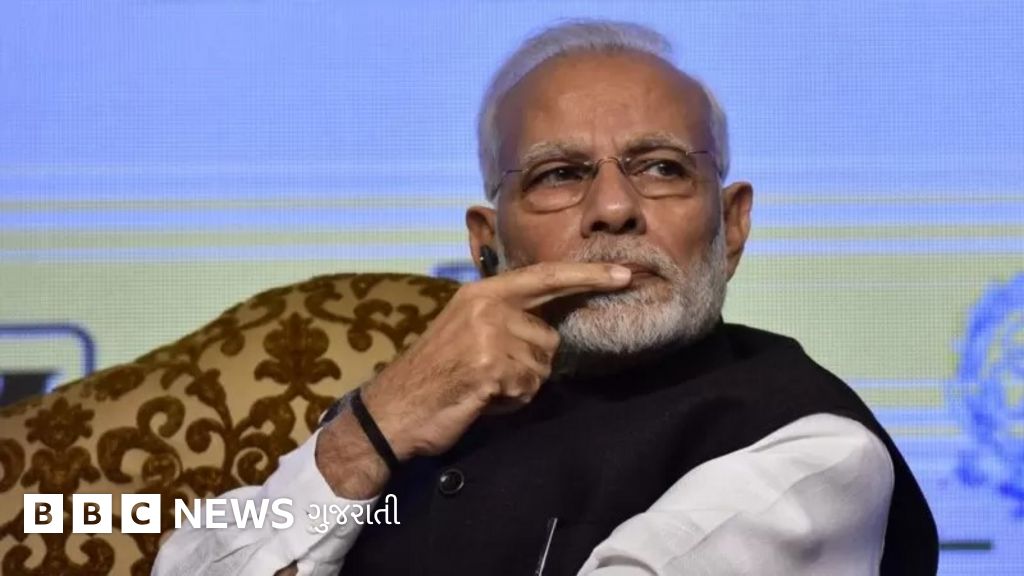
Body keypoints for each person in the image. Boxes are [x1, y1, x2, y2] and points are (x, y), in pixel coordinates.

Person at [153, 19, 938, 576]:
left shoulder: (808, 446)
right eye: (560, 175)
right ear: (486, 243)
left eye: (662, 168)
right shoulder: (408, 414)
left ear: (731, 226)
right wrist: (370, 433)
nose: (614, 209)